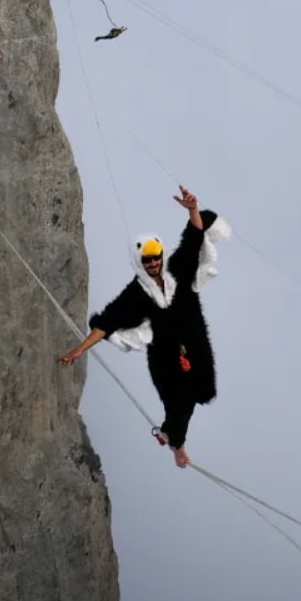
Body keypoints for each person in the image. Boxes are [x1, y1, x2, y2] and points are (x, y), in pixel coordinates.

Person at [58, 186, 230, 468]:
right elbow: (107, 322)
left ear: (161, 256)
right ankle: (176, 443)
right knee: (178, 403)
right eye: (147, 260)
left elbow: (193, 238)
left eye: (156, 257)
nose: (153, 263)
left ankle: (175, 439)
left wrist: (193, 210)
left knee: (203, 391)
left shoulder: (177, 269)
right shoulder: (136, 293)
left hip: (194, 341)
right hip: (164, 355)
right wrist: (80, 350)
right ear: (140, 262)